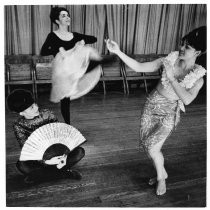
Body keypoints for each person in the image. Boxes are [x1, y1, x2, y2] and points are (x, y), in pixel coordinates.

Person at [106, 26, 206, 195]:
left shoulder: (198, 78)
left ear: (199, 52)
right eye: (183, 44)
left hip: (169, 112)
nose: (181, 48)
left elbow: (187, 99)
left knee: (153, 148)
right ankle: (162, 172)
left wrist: (172, 77)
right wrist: (118, 52)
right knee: (148, 145)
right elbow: (139, 66)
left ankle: (161, 178)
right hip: (151, 106)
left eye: (187, 47)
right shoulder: (170, 59)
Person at [7, 89, 85, 184]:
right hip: (40, 160)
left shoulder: (47, 114)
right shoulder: (18, 126)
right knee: (21, 165)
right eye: (31, 107)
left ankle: (43, 176)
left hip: (58, 152)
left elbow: (61, 135)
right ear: (21, 113)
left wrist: (64, 156)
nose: (36, 107)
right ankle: (62, 173)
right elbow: (27, 149)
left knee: (80, 152)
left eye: (35, 104)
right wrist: (46, 161)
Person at [41, 6, 97, 125]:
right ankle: (68, 125)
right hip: (62, 70)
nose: (67, 17)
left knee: (89, 53)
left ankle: (96, 65)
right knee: (65, 98)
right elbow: (43, 51)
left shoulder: (75, 35)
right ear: (57, 21)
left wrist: (83, 41)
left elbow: (94, 38)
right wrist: (58, 50)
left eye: (68, 15)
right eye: (63, 15)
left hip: (74, 68)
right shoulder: (52, 36)